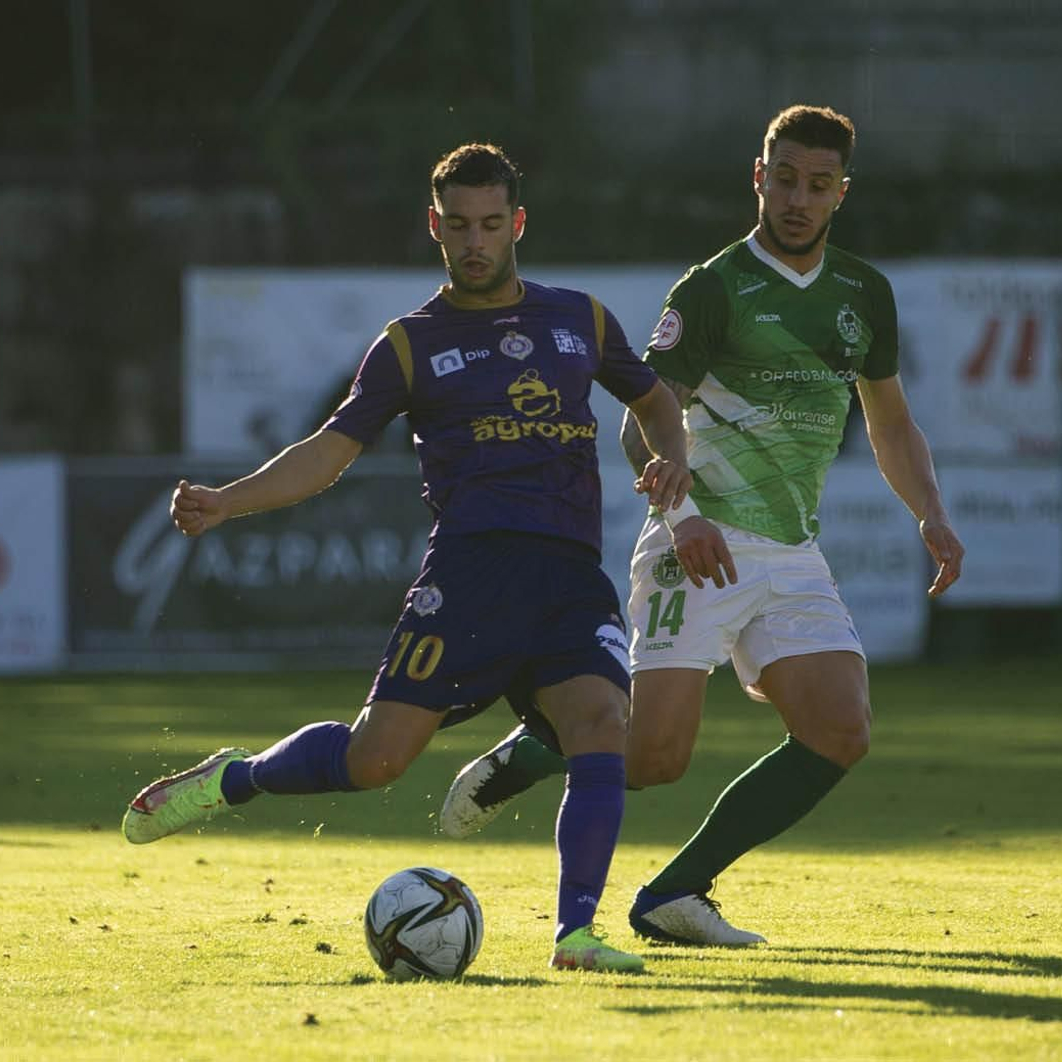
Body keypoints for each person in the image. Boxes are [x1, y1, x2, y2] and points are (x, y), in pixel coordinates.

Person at [120, 143, 698, 973]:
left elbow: (654, 400)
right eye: (458, 225)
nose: (475, 241)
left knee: (603, 726)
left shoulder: (581, 319)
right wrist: (228, 501)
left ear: (518, 224)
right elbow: (329, 451)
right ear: (434, 226)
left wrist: (669, 456)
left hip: (570, 574)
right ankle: (231, 779)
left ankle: (575, 933)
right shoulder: (409, 344)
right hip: (469, 577)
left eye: (492, 224)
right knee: (375, 761)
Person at [438, 105, 965, 946]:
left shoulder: (864, 294)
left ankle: (673, 895)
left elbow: (892, 424)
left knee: (840, 729)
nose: (799, 197)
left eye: (818, 184)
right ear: (759, 177)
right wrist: (680, 516)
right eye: (785, 177)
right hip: (699, 544)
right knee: (654, 760)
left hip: (791, 551)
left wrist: (931, 515)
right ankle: (537, 747)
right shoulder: (713, 288)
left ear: (841, 194)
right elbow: (639, 419)